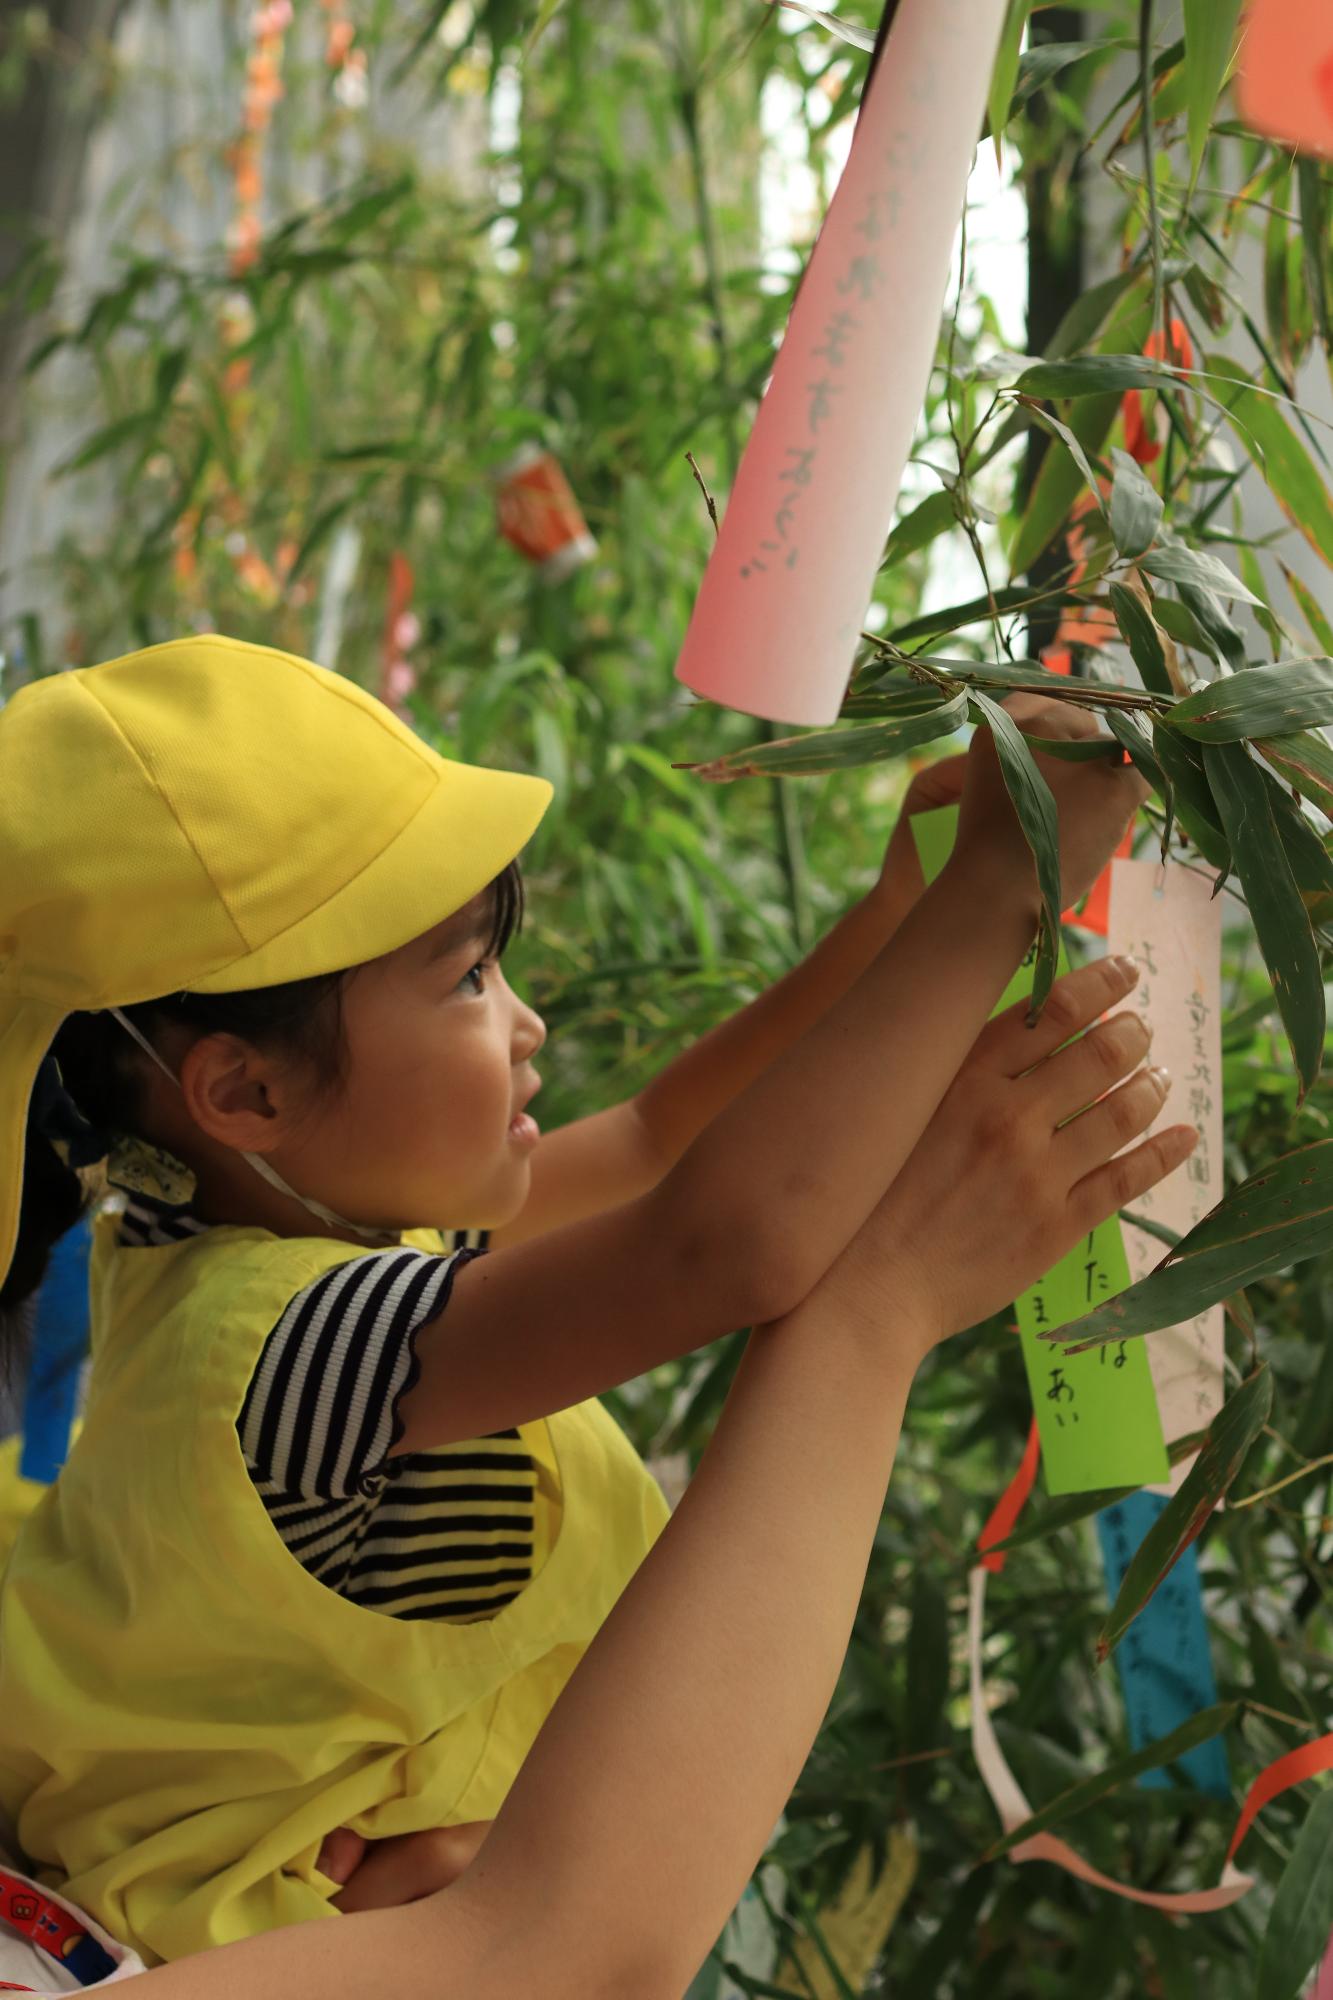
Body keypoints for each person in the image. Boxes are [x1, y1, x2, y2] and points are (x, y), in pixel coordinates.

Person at [0, 633, 1158, 1965]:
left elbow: (665, 1142)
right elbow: (719, 1248)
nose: (524, 1023)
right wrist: (997, 902)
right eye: (468, 979)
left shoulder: (250, 1219)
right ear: (243, 1093)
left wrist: (902, 917)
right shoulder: (289, 1345)